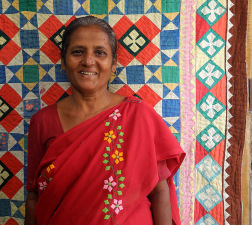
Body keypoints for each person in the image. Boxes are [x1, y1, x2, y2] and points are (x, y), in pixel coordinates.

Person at [25, 16, 185, 225]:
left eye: (100, 52)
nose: (88, 61)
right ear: (63, 62)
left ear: (114, 63)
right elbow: (34, 195)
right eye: (77, 52)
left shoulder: (138, 115)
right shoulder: (42, 121)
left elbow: (160, 191)